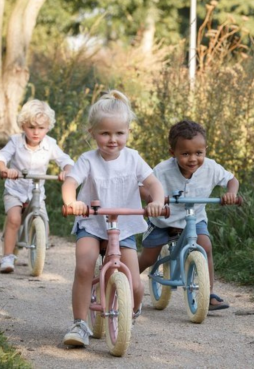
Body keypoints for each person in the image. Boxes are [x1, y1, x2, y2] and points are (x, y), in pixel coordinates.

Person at [61, 90, 164, 347]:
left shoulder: (134, 158)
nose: (112, 139)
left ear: (128, 132)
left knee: (135, 284)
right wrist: (71, 202)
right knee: (84, 266)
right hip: (93, 224)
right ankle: (79, 324)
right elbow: (71, 182)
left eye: (119, 133)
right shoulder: (87, 159)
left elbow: (153, 184)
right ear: (92, 133)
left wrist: (157, 201)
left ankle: (132, 310)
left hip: (124, 226)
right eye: (105, 133)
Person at [138, 120, 239, 311]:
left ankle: (207, 294)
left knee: (205, 246)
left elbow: (232, 179)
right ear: (172, 153)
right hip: (163, 220)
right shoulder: (163, 170)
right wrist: (153, 200)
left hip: (194, 218)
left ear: (205, 150)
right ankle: (126, 283)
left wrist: (231, 193)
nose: (193, 159)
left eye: (198, 153)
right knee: (149, 257)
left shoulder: (210, 167)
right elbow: (144, 187)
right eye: (185, 154)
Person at [0, 99, 74, 273]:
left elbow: (65, 160)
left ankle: (39, 249)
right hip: (15, 189)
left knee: (44, 222)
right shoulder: (15, 142)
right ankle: (8, 257)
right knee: (14, 220)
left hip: (36, 192)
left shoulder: (50, 144)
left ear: (48, 127)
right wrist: (5, 169)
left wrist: (66, 171)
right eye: (31, 127)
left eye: (41, 128)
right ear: (23, 126)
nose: (36, 132)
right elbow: (1, 157)